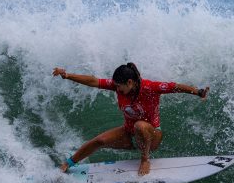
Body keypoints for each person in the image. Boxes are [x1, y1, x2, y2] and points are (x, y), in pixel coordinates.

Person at [53, 63, 209, 175]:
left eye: (119, 86)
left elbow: (176, 87)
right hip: (129, 134)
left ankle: (145, 159)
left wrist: (198, 92)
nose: (117, 89)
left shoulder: (150, 88)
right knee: (99, 141)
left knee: (140, 126)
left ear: (130, 82)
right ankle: (68, 163)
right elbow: (94, 81)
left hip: (151, 135)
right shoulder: (118, 86)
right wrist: (67, 75)